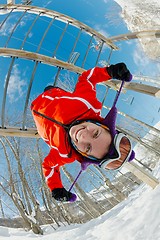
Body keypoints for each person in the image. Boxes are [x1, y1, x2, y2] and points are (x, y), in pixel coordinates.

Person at [31, 63, 133, 202]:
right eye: (95, 133)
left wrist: (56, 188)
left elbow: (48, 166)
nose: (83, 136)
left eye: (88, 147)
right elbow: (88, 79)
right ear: (102, 125)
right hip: (52, 94)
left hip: (34, 111)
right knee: (51, 89)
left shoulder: (65, 153)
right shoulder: (87, 104)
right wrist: (109, 72)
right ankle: (53, 89)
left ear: (84, 155)